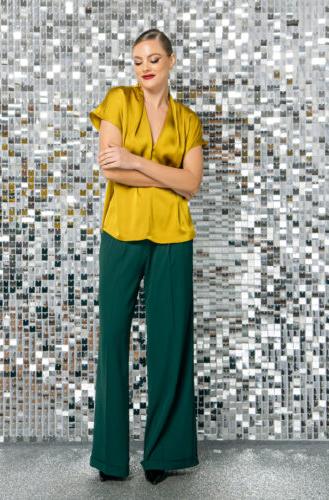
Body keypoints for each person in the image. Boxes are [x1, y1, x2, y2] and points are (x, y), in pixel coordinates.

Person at [88, 28, 208, 485]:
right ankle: (110, 459)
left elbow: (192, 183)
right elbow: (110, 169)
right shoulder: (118, 100)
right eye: (138, 60)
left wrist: (136, 161)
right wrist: (169, 177)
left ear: (171, 61)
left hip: (174, 236)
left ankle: (163, 453)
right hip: (121, 231)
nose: (145, 68)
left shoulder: (188, 120)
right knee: (112, 337)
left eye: (154, 59)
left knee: (171, 341)